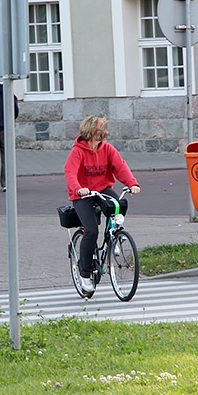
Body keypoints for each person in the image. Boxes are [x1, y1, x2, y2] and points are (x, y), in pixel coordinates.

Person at [64, 115, 140, 295]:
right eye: (101, 129)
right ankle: (84, 274)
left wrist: (132, 184)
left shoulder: (107, 149)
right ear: (91, 131)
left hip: (103, 189)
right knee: (91, 231)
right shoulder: (78, 152)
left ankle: (114, 233)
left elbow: (120, 167)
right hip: (83, 194)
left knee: (119, 204)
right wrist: (78, 189)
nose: (105, 132)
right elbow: (70, 173)